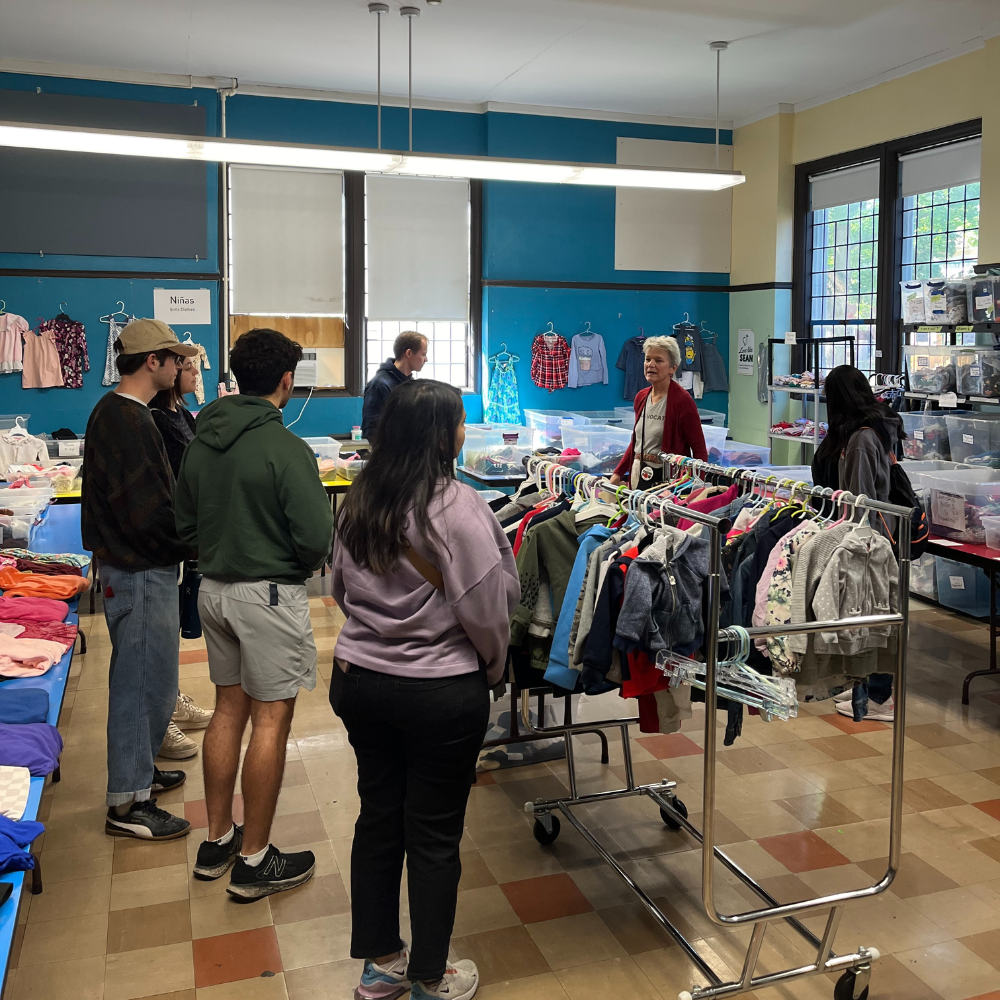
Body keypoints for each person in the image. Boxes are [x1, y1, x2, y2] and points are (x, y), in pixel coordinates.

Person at [331, 380, 519, 1000]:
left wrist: (378, 634)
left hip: (359, 680)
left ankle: (381, 966)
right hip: (440, 691)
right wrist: (494, 669)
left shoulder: (359, 498)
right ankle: (430, 979)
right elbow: (487, 609)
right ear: (442, 435)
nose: (465, 432)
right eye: (461, 422)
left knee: (379, 817)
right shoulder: (460, 506)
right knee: (435, 834)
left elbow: (338, 588)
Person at [175, 328, 333, 898]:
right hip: (267, 594)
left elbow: (184, 524)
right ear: (286, 381)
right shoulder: (286, 448)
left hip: (212, 589)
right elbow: (316, 536)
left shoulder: (202, 437)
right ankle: (255, 859)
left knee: (227, 710)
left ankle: (217, 839)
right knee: (271, 720)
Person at [82, 318, 200, 841]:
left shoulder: (120, 413)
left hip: (135, 567)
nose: (181, 367)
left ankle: (141, 774)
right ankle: (127, 805)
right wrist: (193, 542)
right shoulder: (129, 421)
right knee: (138, 682)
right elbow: (148, 515)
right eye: (175, 359)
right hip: (138, 570)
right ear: (152, 362)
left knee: (154, 679)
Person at [811, 364, 903, 724]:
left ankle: (880, 696)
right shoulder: (855, 433)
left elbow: (861, 500)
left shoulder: (863, 438)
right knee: (862, 613)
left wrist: (850, 540)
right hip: (864, 537)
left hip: (870, 540)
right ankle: (863, 686)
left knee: (875, 616)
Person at [149, 358, 216, 761]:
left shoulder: (183, 415)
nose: (192, 374)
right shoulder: (155, 417)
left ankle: (171, 698)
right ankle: (160, 718)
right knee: (156, 637)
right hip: (166, 539)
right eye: (186, 367)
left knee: (172, 627)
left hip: (186, 534)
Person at [610, 335, 707, 487]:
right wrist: (618, 473)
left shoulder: (682, 401)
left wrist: (696, 486)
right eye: (648, 359)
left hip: (668, 481)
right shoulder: (641, 397)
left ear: (673, 368)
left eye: (659, 360)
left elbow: (699, 449)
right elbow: (636, 441)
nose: (651, 364)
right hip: (638, 473)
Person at [361, 330, 428, 441]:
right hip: (390, 455)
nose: (426, 359)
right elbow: (372, 431)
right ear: (409, 353)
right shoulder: (380, 385)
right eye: (423, 354)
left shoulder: (410, 384)